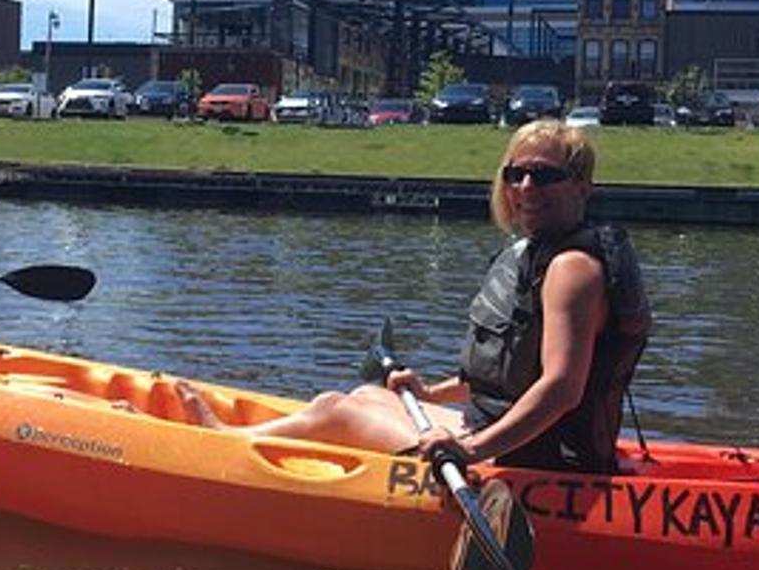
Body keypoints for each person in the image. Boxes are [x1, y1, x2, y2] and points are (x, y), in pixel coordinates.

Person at [178, 119, 651, 473]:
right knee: (349, 397)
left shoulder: (571, 269)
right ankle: (236, 438)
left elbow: (561, 390)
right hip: (506, 434)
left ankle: (223, 447)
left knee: (343, 414)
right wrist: (431, 394)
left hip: (532, 457)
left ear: (583, 186)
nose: (526, 187)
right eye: (516, 173)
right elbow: (507, 377)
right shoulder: (542, 255)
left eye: (546, 176)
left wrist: (472, 450)